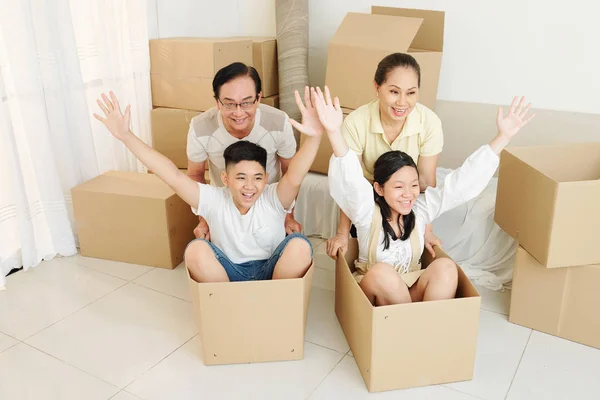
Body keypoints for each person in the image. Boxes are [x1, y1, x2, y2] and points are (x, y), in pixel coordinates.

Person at [297, 89, 534, 305]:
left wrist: (502, 137)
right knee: (383, 273)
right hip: (376, 292)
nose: (408, 194)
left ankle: (423, 325)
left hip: (410, 291)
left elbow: (460, 183)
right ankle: (412, 323)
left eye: (412, 185)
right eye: (398, 187)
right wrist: (334, 132)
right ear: (379, 189)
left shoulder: (420, 210)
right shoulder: (367, 211)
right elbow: (349, 178)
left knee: (446, 267)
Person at [93, 87, 326, 282]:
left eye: (257, 178)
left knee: (300, 245)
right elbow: (172, 175)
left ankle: (276, 304)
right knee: (195, 249)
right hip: (228, 273)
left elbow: (295, 174)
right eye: (241, 178)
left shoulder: (274, 197)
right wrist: (126, 136)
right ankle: (226, 307)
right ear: (225, 179)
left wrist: (315, 136)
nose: (249, 187)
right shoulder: (214, 199)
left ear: (266, 179)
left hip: (273, 271)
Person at [326, 53, 444, 261]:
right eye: (394, 91)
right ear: (377, 87)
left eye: (411, 93)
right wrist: (343, 233)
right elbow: (348, 183)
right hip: (367, 203)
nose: (402, 102)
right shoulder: (356, 122)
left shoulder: (430, 123)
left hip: (407, 203)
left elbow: (426, 182)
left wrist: (427, 230)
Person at [186, 62, 302, 240]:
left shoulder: (278, 122)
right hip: (224, 206)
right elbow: (195, 175)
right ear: (217, 102)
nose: (238, 113)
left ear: (259, 98)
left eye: (246, 103)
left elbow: (290, 173)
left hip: (270, 204)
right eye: (229, 104)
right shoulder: (200, 127)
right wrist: (205, 218)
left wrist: (288, 215)